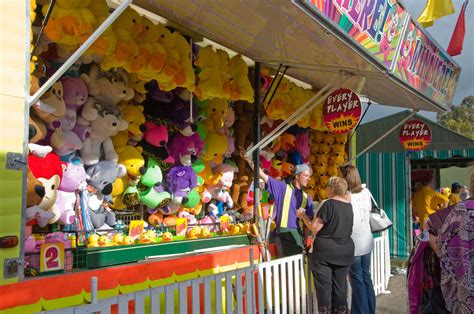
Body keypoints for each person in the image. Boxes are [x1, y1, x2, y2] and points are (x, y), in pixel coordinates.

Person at [239, 147, 314, 257]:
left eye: (309, 176)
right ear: (297, 176)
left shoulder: (306, 197)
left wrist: (306, 242)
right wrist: (248, 159)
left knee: (295, 270)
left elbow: (308, 225)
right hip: (283, 235)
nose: (308, 179)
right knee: (285, 270)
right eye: (306, 176)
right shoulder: (282, 188)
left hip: (298, 235)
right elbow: (261, 174)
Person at [296, 176, 354, 314]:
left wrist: (303, 215)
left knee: (324, 289)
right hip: (345, 251)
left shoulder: (328, 204)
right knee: (340, 288)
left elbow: (314, 227)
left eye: (327, 186)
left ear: (331, 189)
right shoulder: (348, 205)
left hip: (325, 253)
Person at [338, 164, 376, 314]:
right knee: (366, 278)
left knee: (357, 281)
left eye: (340, 175)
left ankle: (362, 311)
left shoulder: (347, 197)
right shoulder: (366, 191)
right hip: (367, 240)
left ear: (346, 177)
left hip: (354, 243)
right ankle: (368, 310)